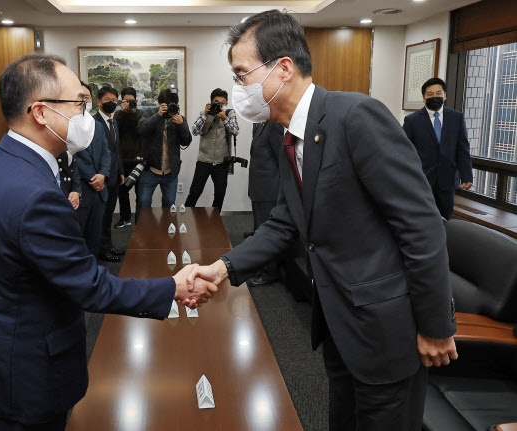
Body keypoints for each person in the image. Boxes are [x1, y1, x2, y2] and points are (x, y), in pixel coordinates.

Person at [189, 10, 458, 431]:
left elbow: (422, 226)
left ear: (282, 69)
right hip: (338, 324)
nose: (239, 88)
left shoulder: (355, 117)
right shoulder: (289, 140)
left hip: (386, 332)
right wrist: (222, 268)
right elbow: (283, 223)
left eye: (242, 74)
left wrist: (437, 326)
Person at [0, 52, 217, 431]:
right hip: (23, 370)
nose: (85, 113)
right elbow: (90, 287)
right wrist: (173, 286)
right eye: (78, 103)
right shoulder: (34, 193)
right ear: (41, 112)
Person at [403, 77, 473, 219]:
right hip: (421, 181)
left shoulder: (457, 117)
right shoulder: (411, 121)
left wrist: (467, 175)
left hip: (447, 181)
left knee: (445, 220)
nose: (435, 97)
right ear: (424, 98)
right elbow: (404, 151)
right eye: (430, 94)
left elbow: (463, 148)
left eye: (438, 93)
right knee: (421, 219)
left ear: (445, 95)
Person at [137, 88, 192, 220]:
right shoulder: (149, 113)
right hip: (150, 169)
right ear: (159, 103)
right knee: (143, 204)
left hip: (170, 172)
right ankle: (141, 234)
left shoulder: (179, 118)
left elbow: (186, 141)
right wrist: (158, 115)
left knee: (169, 205)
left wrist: (181, 125)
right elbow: (142, 130)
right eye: (166, 105)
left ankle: (168, 232)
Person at [72, 82, 111, 258]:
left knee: (95, 237)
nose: (84, 102)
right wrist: (92, 178)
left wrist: (102, 175)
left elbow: (106, 152)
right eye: (80, 98)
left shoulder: (97, 125)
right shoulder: (67, 126)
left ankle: (94, 273)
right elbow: (71, 157)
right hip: (81, 190)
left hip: (99, 190)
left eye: (86, 98)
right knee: (78, 238)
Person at [184, 88, 239, 211]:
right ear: (211, 102)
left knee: (219, 196)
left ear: (226, 103)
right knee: (194, 193)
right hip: (204, 160)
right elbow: (194, 131)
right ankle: (184, 220)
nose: (220, 105)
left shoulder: (229, 114)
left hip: (221, 162)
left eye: (223, 102)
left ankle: (215, 224)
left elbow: (235, 131)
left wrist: (225, 118)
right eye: (216, 102)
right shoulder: (205, 114)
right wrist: (205, 114)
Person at [246, 120, 284, 287]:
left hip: (268, 189)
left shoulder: (273, 125)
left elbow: (281, 158)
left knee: (267, 232)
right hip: (258, 187)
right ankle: (260, 266)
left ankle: (271, 272)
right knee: (259, 230)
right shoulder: (261, 124)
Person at [94, 86, 125, 262]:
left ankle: (108, 245)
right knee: (101, 216)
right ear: (99, 101)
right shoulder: (94, 122)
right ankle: (101, 249)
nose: (111, 103)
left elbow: (116, 150)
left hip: (114, 177)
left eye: (114, 100)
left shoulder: (114, 122)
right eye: (107, 100)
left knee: (109, 215)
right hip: (101, 177)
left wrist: (121, 171)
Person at [113, 86, 144, 228]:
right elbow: (115, 132)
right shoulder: (117, 115)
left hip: (138, 160)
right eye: (126, 100)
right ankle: (125, 218)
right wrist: (123, 113)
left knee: (140, 193)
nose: (129, 103)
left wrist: (131, 113)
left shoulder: (141, 114)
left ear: (136, 100)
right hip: (122, 159)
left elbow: (140, 130)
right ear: (121, 101)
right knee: (122, 191)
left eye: (131, 100)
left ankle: (139, 219)